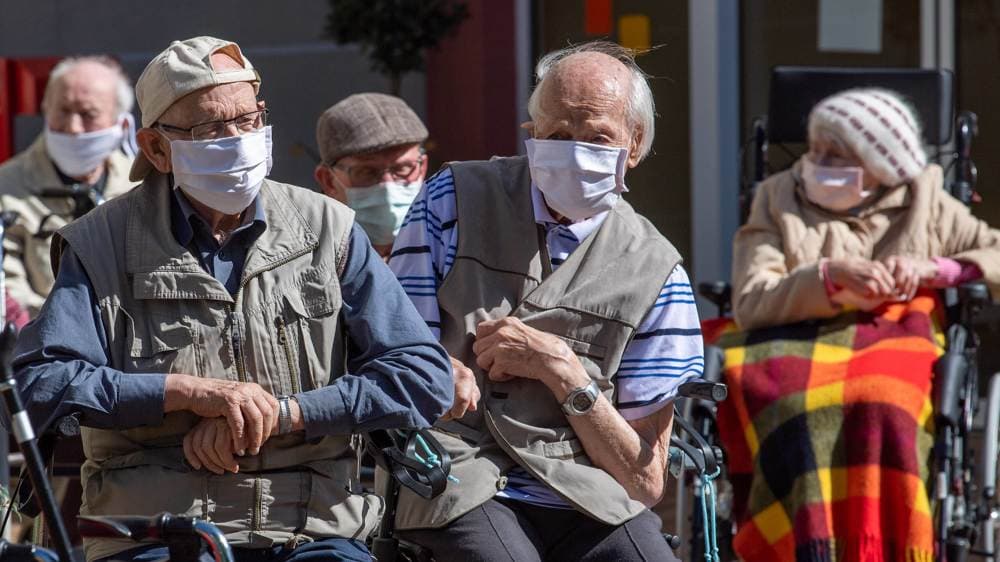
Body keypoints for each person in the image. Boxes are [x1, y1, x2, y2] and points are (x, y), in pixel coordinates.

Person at [14, 36, 452, 562]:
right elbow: (42, 385)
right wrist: (184, 393)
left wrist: (285, 413)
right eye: (212, 129)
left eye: (250, 119)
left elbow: (421, 375)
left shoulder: (327, 229)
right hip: (156, 529)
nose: (240, 139)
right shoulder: (99, 243)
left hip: (313, 528)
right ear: (156, 149)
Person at [388, 41, 700, 561]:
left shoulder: (657, 270)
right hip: (457, 470)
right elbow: (396, 344)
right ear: (531, 137)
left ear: (635, 144)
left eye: (599, 136)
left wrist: (564, 372)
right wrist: (437, 368)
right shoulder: (454, 198)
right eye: (558, 135)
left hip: (585, 490)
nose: (576, 150)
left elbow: (646, 478)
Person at [722, 88, 1000, 561]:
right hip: (790, 336)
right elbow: (750, 298)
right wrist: (827, 277)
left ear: (883, 163)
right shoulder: (777, 196)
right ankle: (802, 544)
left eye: (837, 154)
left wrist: (937, 270)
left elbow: (994, 252)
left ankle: (880, 539)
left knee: (884, 403)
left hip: (894, 336)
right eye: (815, 149)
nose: (817, 161)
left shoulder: (925, 198)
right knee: (794, 411)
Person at [0, 56, 137, 316]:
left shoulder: (143, 188)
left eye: (88, 114)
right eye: (63, 110)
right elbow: (9, 293)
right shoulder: (6, 188)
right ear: (45, 107)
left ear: (120, 122)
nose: (73, 127)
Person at [314, 93, 428, 258]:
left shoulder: (453, 250)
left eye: (403, 168)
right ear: (329, 181)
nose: (388, 187)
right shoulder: (305, 261)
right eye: (367, 172)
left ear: (422, 168)